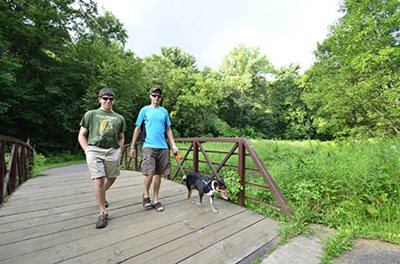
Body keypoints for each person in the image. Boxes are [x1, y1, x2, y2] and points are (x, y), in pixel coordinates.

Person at [78, 88, 126, 229]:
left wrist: (119, 150)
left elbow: (122, 137)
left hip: (112, 150)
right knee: (98, 179)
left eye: (111, 99)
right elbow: (82, 134)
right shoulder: (91, 114)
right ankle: (102, 212)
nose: (108, 101)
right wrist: (87, 149)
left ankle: (101, 195)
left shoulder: (119, 118)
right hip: (94, 149)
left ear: (114, 101)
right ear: (99, 99)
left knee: (112, 177)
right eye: (105, 98)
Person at [130, 87, 179, 212]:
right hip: (148, 146)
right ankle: (146, 195)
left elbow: (168, 129)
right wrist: (132, 146)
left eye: (158, 96)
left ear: (160, 98)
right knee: (149, 173)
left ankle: (156, 199)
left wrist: (173, 145)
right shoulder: (144, 110)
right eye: (154, 95)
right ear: (150, 96)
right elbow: (137, 128)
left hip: (162, 146)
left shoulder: (164, 111)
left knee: (158, 174)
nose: (156, 98)